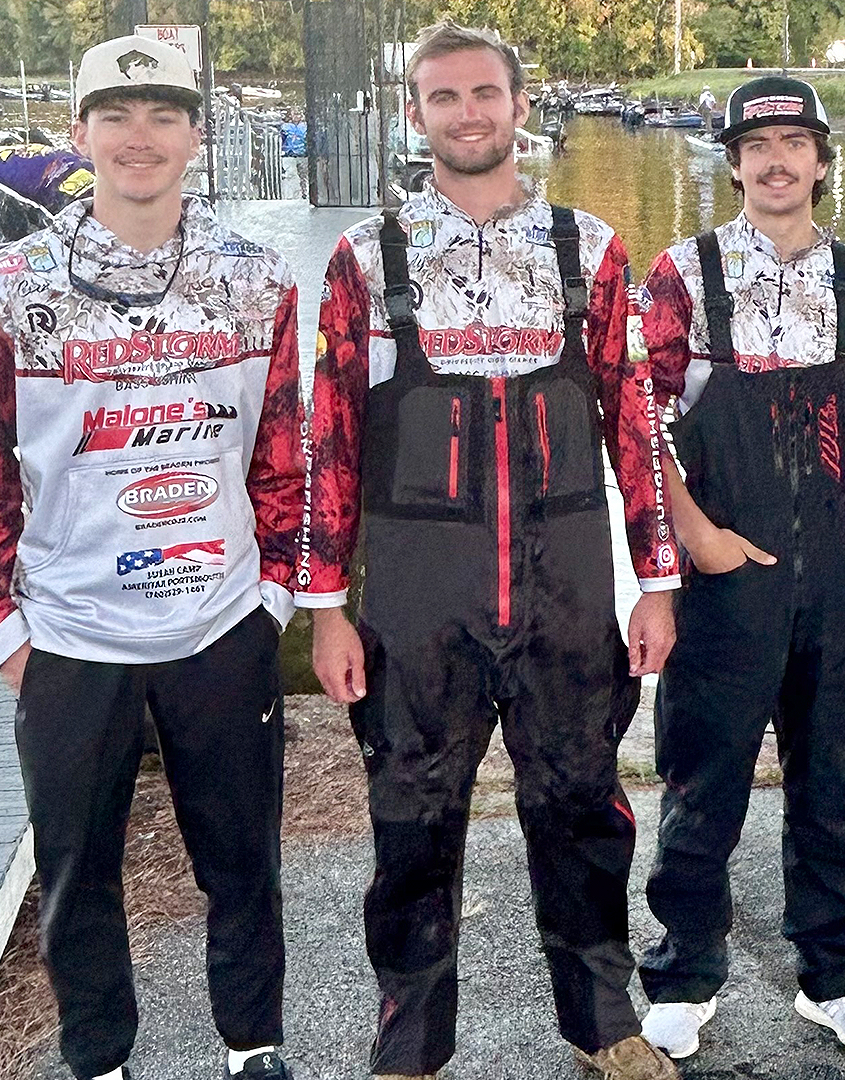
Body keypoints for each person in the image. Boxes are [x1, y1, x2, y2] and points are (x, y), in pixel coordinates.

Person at [300, 21, 678, 1080]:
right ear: (415, 114)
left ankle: (605, 1024)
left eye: (485, 94)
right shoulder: (365, 258)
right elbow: (326, 433)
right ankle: (411, 1044)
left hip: (566, 589)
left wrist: (657, 585)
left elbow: (637, 424)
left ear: (519, 104)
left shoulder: (589, 250)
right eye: (443, 97)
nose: (467, 113)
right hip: (420, 598)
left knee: (582, 807)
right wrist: (325, 605)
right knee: (412, 819)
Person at [0, 34, 303, 1080]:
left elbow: (287, 453)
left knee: (242, 860)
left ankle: (253, 1043)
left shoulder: (256, 278)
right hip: (66, 634)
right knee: (75, 870)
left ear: (197, 133)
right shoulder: (6, 292)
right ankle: (100, 1058)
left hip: (220, 624)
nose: (138, 136)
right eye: (115, 113)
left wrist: (273, 596)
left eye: (161, 113)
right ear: (79, 134)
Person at [631, 74, 845, 1060]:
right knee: (703, 773)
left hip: (833, 562)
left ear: (822, 160)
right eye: (758, 145)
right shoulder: (683, 274)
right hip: (723, 566)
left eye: (795, 143)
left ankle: (834, 974)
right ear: (735, 159)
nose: (777, 161)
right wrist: (697, 537)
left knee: (831, 769)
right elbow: (645, 416)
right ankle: (685, 972)